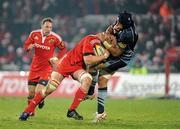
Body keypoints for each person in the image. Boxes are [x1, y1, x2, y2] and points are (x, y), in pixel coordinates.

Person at [19, 32, 117, 121]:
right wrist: (104, 57)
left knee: (87, 79)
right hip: (65, 64)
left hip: (77, 67)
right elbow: (88, 60)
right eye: (111, 39)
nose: (111, 42)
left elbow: (93, 65)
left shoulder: (100, 46)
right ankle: (26, 112)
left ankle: (71, 110)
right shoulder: (92, 39)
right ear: (105, 34)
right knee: (50, 89)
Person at [86, 11, 138, 122]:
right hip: (113, 52)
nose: (117, 23)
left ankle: (94, 100)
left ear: (124, 24)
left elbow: (116, 53)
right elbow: (108, 31)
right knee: (95, 70)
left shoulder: (129, 34)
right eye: (117, 21)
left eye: (119, 23)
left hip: (122, 58)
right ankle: (97, 106)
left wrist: (105, 41)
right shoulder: (120, 22)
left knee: (98, 71)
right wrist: (110, 36)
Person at [23, 17, 67, 116]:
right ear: (42, 26)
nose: (48, 29)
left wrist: (58, 59)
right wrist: (28, 48)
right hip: (34, 67)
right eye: (47, 27)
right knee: (31, 93)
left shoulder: (56, 38)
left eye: (50, 27)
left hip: (46, 68)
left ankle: (40, 100)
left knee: (38, 91)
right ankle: (31, 112)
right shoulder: (34, 34)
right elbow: (26, 45)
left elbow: (63, 49)